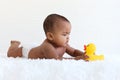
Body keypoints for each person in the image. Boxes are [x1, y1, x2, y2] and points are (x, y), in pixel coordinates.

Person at [7, 13, 88, 60]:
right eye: (64, 34)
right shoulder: (47, 46)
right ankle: (14, 45)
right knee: (10, 54)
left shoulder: (64, 44)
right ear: (50, 36)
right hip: (27, 51)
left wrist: (84, 54)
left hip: (36, 47)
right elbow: (57, 59)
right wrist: (78, 59)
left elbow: (73, 52)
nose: (67, 37)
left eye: (68, 34)